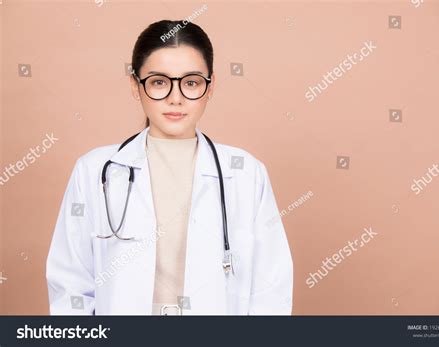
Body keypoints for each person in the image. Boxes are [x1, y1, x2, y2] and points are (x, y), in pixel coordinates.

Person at [46, 20, 293, 315]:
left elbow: (271, 287)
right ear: (136, 86)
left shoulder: (245, 173)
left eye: (191, 82)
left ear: (210, 86)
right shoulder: (95, 170)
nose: (175, 98)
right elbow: (70, 282)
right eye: (159, 82)